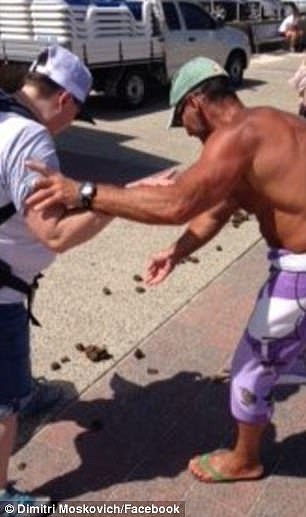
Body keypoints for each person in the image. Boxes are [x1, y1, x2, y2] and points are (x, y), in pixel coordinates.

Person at [26, 55, 306, 484]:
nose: (190, 135)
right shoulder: (268, 123)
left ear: (195, 102)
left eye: (183, 122)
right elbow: (217, 210)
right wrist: (177, 252)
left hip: (300, 272)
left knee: (252, 367)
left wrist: (83, 192)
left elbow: (177, 204)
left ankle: (245, 459)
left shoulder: (234, 135)